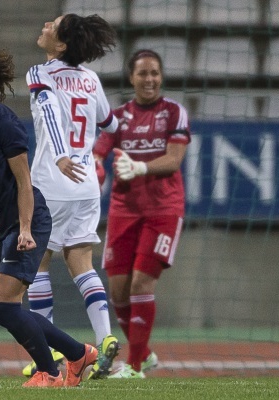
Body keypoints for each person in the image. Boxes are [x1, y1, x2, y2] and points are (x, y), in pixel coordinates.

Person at [0, 49, 99, 388]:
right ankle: (78, 353)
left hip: (27, 220)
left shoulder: (2, 120)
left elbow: (24, 181)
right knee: (4, 309)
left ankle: (51, 372)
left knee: (4, 305)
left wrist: (26, 229)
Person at [23, 13, 120, 380]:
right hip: (86, 186)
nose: (45, 24)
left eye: (53, 25)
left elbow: (47, 111)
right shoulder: (91, 79)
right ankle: (106, 337)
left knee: (38, 266)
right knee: (82, 262)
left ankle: (46, 353)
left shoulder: (40, 73)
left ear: (61, 45)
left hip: (52, 180)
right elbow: (110, 124)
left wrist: (61, 154)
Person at [93, 49, 191, 378]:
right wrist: (95, 170)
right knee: (117, 290)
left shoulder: (174, 112)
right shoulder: (118, 117)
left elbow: (175, 159)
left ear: (161, 77)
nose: (149, 80)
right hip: (123, 211)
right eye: (142, 74)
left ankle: (134, 366)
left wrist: (138, 167)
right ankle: (144, 354)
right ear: (131, 78)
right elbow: (99, 152)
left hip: (163, 210)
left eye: (154, 74)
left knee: (140, 284)